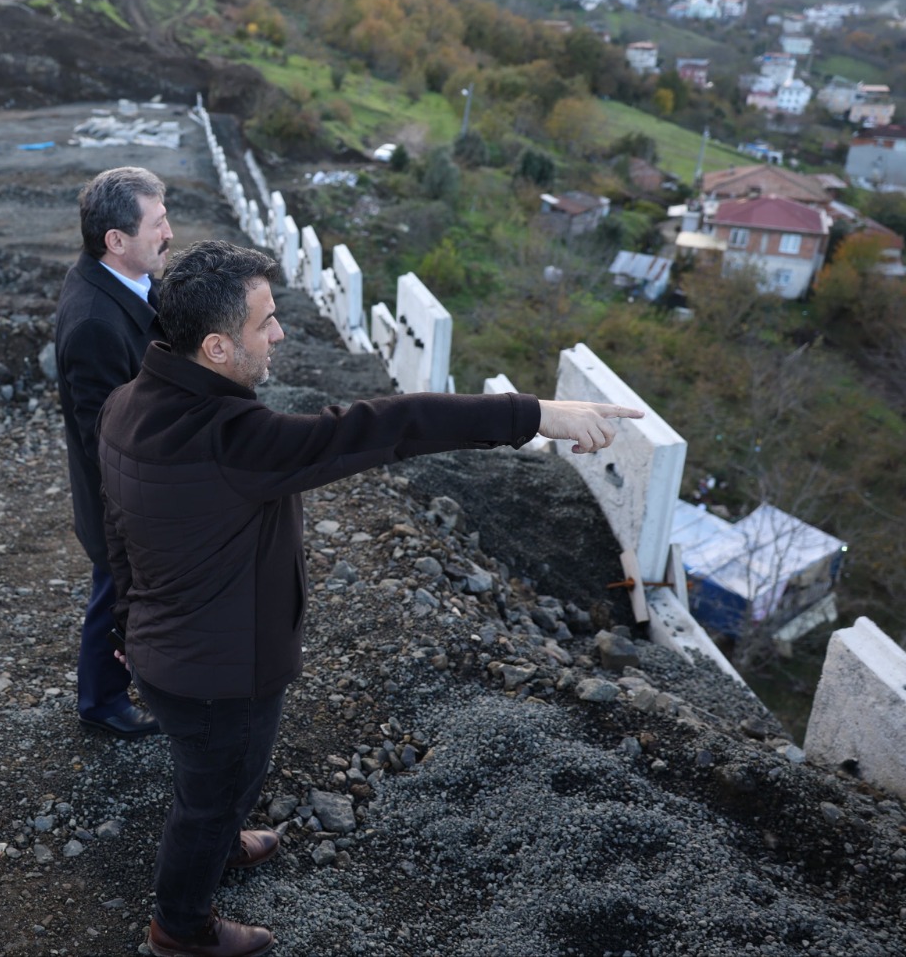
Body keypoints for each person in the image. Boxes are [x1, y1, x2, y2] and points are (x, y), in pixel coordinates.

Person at [98, 240, 643, 957]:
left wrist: (124, 620)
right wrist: (534, 414)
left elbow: (117, 532)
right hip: (219, 673)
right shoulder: (237, 438)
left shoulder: (128, 403)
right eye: (265, 322)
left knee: (214, 781)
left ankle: (219, 839)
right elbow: (388, 425)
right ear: (216, 347)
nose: (280, 333)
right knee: (211, 791)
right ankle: (181, 926)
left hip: (166, 649)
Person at [54, 166, 174, 739]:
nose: (169, 233)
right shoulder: (96, 324)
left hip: (133, 494)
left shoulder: (126, 279)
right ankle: (101, 702)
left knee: (117, 590)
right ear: (116, 240)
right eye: (157, 223)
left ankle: (112, 691)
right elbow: (104, 438)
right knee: (116, 591)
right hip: (117, 502)